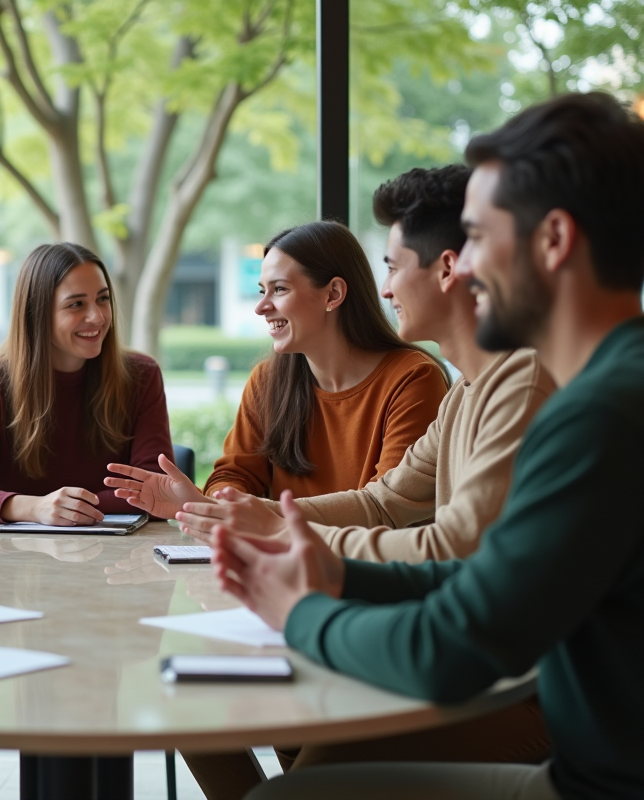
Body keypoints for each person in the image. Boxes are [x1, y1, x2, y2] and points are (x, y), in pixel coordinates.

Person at [216, 92, 644, 800]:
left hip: (593, 783)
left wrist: (303, 611)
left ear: (554, 239)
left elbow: (454, 645)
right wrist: (335, 573)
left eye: (476, 236)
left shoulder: (599, 413)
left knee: (293, 791)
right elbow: (487, 585)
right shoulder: (605, 389)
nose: (464, 267)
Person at [174, 166, 556, 799]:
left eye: (393, 265)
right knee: (200, 709)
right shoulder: (469, 389)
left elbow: (457, 544)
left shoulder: (520, 382)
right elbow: (385, 500)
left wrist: (299, 541)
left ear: (447, 269)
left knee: (295, 771)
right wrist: (272, 518)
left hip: (527, 688)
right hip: (471, 654)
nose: (383, 290)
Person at [106, 221, 449, 517]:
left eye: (279, 289)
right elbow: (232, 476)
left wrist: (252, 514)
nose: (260, 307)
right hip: (281, 567)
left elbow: (383, 509)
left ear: (333, 294)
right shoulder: (267, 381)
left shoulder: (413, 378)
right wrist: (206, 504)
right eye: (261, 291)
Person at [0, 242, 174, 525]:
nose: (97, 316)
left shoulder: (141, 375)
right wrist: (35, 508)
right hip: (14, 562)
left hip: (116, 561)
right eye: (76, 304)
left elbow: (158, 492)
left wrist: (69, 509)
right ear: (38, 314)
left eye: (103, 299)